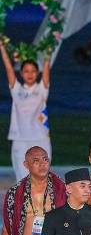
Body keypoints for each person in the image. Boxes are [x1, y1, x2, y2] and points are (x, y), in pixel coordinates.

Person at [0, 42, 52, 181]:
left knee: (41, 179)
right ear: (21, 74)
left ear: (38, 73)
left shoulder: (41, 90)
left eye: (33, 71)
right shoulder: (17, 90)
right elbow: (9, 69)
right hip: (20, 139)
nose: (30, 74)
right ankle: (23, 203)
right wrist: (2, 49)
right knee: (22, 179)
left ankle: (41, 203)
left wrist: (48, 54)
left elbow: (47, 69)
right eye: (26, 71)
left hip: (40, 138)